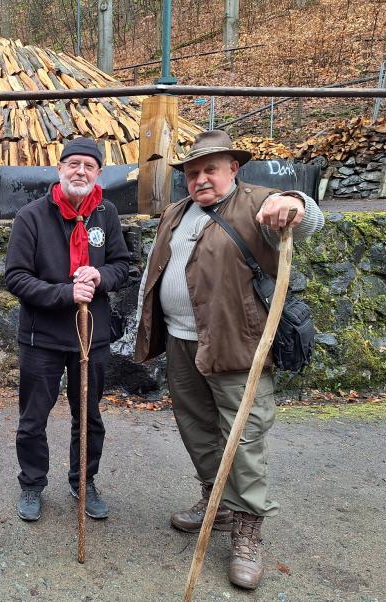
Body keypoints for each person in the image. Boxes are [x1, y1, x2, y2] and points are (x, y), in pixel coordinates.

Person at [134, 130, 324, 590]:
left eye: (210, 169)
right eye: (193, 172)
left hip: (238, 346)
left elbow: (307, 214)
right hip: (182, 342)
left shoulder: (256, 203)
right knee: (197, 428)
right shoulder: (176, 213)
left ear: (233, 169)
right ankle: (214, 503)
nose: (200, 179)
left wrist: (295, 204)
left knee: (244, 438)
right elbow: (157, 271)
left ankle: (247, 529)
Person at [5, 137, 130, 523]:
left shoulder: (106, 214)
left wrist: (101, 275)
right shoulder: (31, 216)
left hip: (91, 336)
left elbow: (123, 266)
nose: (80, 171)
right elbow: (16, 278)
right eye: (73, 164)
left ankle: (83, 480)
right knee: (33, 418)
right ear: (59, 170)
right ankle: (32, 483)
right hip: (41, 337)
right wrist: (64, 292)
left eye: (88, 166)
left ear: (98, 174)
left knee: (89, 416)